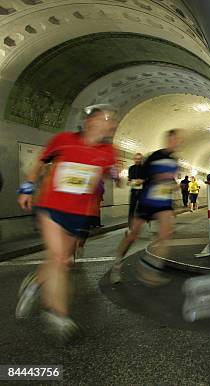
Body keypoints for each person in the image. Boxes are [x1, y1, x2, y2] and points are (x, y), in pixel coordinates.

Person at [15, 105, 119, 342]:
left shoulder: (108, 152)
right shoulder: (62, 140)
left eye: (112, 122)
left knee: (59, 259)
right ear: (90, 122)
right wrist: (28, 186)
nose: (111, 125)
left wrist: (113, 175)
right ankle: (58, 316)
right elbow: (40, 162)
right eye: (107, 120)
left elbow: (102, 177)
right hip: (51, 207)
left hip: (77, 214)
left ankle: (33, 283)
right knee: (61, 260)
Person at [110, 129, 182, 286]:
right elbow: (141, 178)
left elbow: (172, 181)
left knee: (165, 236)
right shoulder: (154, 156)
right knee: (133, 236)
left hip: (164, 204)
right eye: (175, 139)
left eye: (179, 140)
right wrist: (155, 178)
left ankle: (149, 269)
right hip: (147, 201)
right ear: (169, 140)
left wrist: (174, 187)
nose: (177, 143)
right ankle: (117, 263)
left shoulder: (175, 161)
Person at [127, 153, 145, 228]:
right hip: (133, 191)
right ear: (134, 159)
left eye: (139, 159)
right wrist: (128, 181)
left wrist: (142, 180)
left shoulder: (145, 168)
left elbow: (149, 179)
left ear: (141, 159)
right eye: (136, 159)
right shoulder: (131, 168)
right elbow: (129, 179)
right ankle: (130, 226)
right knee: (131, 208)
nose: (137, 160)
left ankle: (139, 224)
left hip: (142, 192)